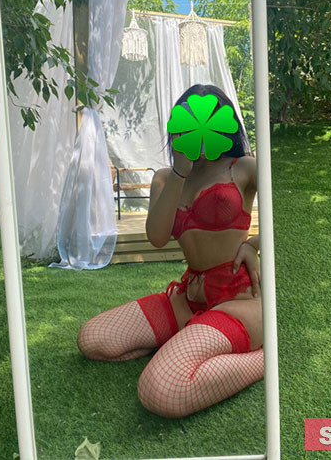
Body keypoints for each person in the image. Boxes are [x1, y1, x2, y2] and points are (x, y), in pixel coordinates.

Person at [77, 83, 263, 418]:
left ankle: (267, 357)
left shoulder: (243, 167)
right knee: (93, 339)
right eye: (189, 124)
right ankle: (190, 338)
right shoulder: (165, 177)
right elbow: (158, 237)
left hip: (238, 299)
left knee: (162, 390)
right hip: (188, 298)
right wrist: (180, 170)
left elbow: (295, 208)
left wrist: (254, 244)